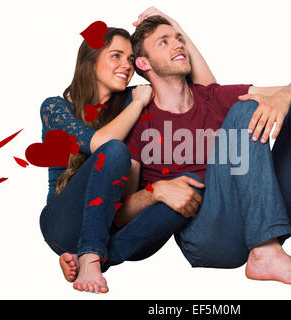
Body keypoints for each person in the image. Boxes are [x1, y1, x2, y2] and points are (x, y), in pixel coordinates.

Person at [119, 15, 291, 286]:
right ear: (144, 63)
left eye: (179, 39)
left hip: (260, 214)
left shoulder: (212, 97)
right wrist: (156, 191)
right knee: (246, 108)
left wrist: (283, 97)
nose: (178, 45)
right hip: (206, 233)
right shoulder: (139, 118)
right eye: (164, 42)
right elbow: (121, 213)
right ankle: (265, 251)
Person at [39, 8, 216, 293]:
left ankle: (93, 260)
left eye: (131, 59)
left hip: (118, 224)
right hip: (65, 223)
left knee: (187, 191)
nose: (127, 65)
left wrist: (174, 25)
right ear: (90, 60)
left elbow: (206, 91)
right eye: (116, 56)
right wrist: (137, 104)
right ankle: (90, 254)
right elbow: (100, 145)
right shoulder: (56, 108)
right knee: (117, 152)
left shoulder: (132, 95)